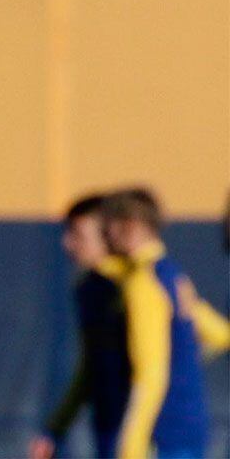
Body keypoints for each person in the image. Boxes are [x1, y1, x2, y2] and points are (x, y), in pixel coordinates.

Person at [99, 187, 214, 459]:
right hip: (189, 426)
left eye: (108, 227)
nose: (105, 236)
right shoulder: (172, 275)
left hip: (161, 433)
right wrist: (184, 363)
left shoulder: (144, 283)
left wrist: (131, 448)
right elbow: (217, 334)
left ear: (130, 226)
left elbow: (150, 375)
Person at [31, 194, 128, 459]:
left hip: (148, 433)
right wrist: (55, 429)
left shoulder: (138, 284)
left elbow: (213, 334)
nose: (67, 244)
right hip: (109, 426)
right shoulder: (88, 288)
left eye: (78, 235)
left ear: (109, 236)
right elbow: (90, 367)